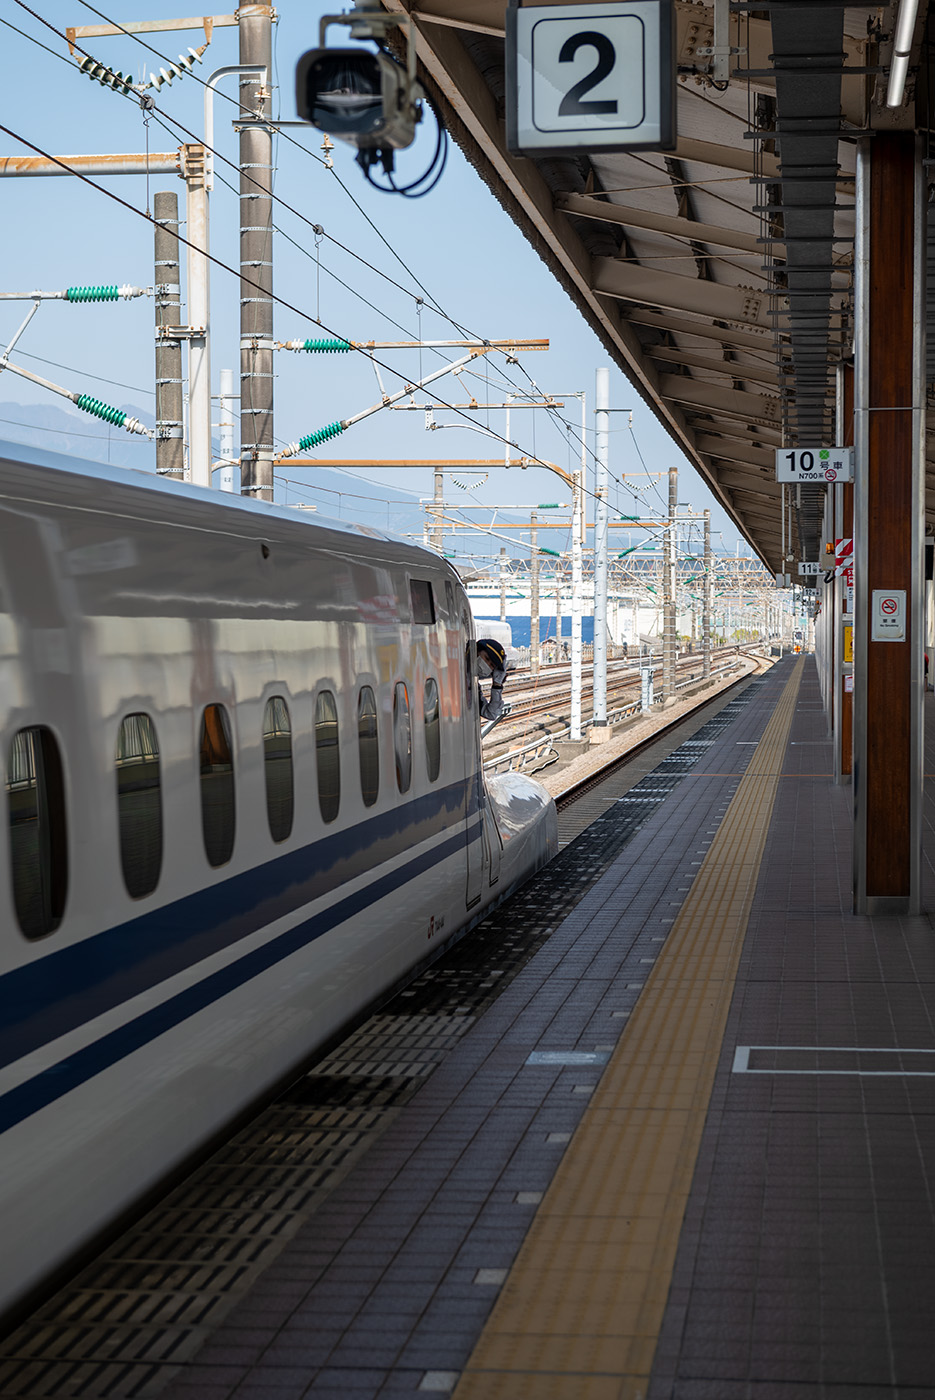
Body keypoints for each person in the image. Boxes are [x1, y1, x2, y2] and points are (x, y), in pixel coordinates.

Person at [476, 638, 507, 720]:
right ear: (477, 651)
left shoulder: (474, 686)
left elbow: (490, 714)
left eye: (491, 665)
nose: (487, 665)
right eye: (486, 658)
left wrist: (497, 685)